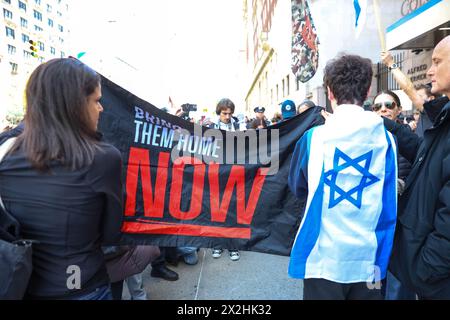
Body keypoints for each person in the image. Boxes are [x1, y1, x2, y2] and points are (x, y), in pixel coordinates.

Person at [0, 58, 123, 300]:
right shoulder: (103, 159)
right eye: (97, 100)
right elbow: (111, 234)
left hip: (17, 284)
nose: (101, 109)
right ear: (75, 104)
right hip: (79, 284)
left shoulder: (5, 152)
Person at [288, 54, 397, 300]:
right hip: (369, 260)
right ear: (368, 91)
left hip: (322, 257)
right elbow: (388, 199)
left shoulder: (313, 138)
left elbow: (298, 187)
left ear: (329, 92)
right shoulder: (387, 140)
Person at [384, 35, 450, 299]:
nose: (430, 70)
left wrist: (426, 270)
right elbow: (423, 154)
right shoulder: (443, 117)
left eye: (437, 61)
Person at [207, 98, 241, 261]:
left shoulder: (239, 126)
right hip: (216, 173)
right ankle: (217, 244)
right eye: (224, 113)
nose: (227, 116)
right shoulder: (210, 128)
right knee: (216, 210)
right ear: (218, 113)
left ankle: (233, 246)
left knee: (232, 210)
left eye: (229, 113)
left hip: (234, 172)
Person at [381, 52, 436, 138]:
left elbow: (408, 88)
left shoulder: (434, 112)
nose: (383, 109)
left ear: (431, 98)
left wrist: (390, 63)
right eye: (377, 107)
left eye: (420, 97)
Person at [372, 90, 412, 182]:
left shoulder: (410, 137)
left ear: (399, 110)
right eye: (377, 107)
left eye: (389, 105)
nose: (383, 109)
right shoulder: (367, 137)